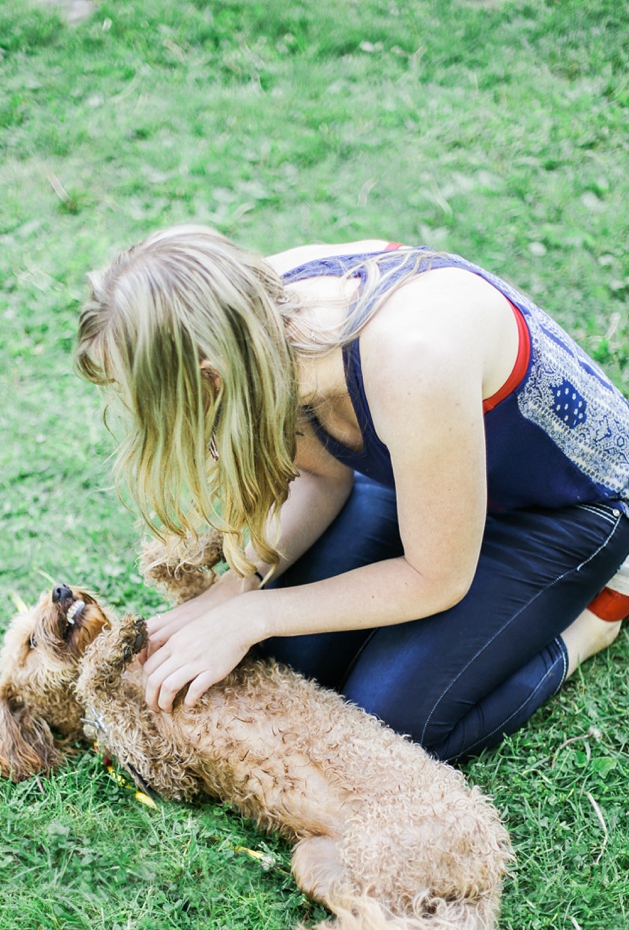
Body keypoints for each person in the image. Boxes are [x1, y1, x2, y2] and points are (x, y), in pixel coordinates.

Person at [75, 226, 629, 762]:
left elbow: (435, 577)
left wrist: (254, 615)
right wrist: (235, 588)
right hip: (417, 472)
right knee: (291, 659)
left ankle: (590, 625)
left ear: (211, 375)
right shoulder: (246, 324)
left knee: (387, 722)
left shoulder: (412, 358)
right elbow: (321, 476)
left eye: (146, 400)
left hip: (566, 508)